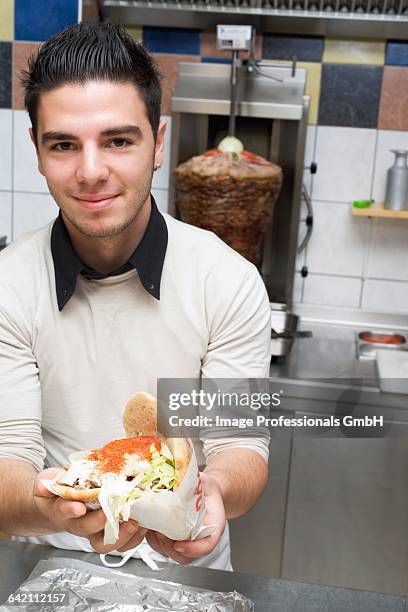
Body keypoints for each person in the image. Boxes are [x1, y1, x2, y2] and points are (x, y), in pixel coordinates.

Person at [0, 21, 271, 570]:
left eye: (119, 140)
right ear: (36, 149)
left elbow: (241, 446)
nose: (91, 171)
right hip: (52, 565)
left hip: (187, 566)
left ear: (158, 142)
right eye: (64, 145)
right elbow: (9, 458)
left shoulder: (228, 281)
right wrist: (52, 508)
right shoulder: (8, 285)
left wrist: (210, 493)